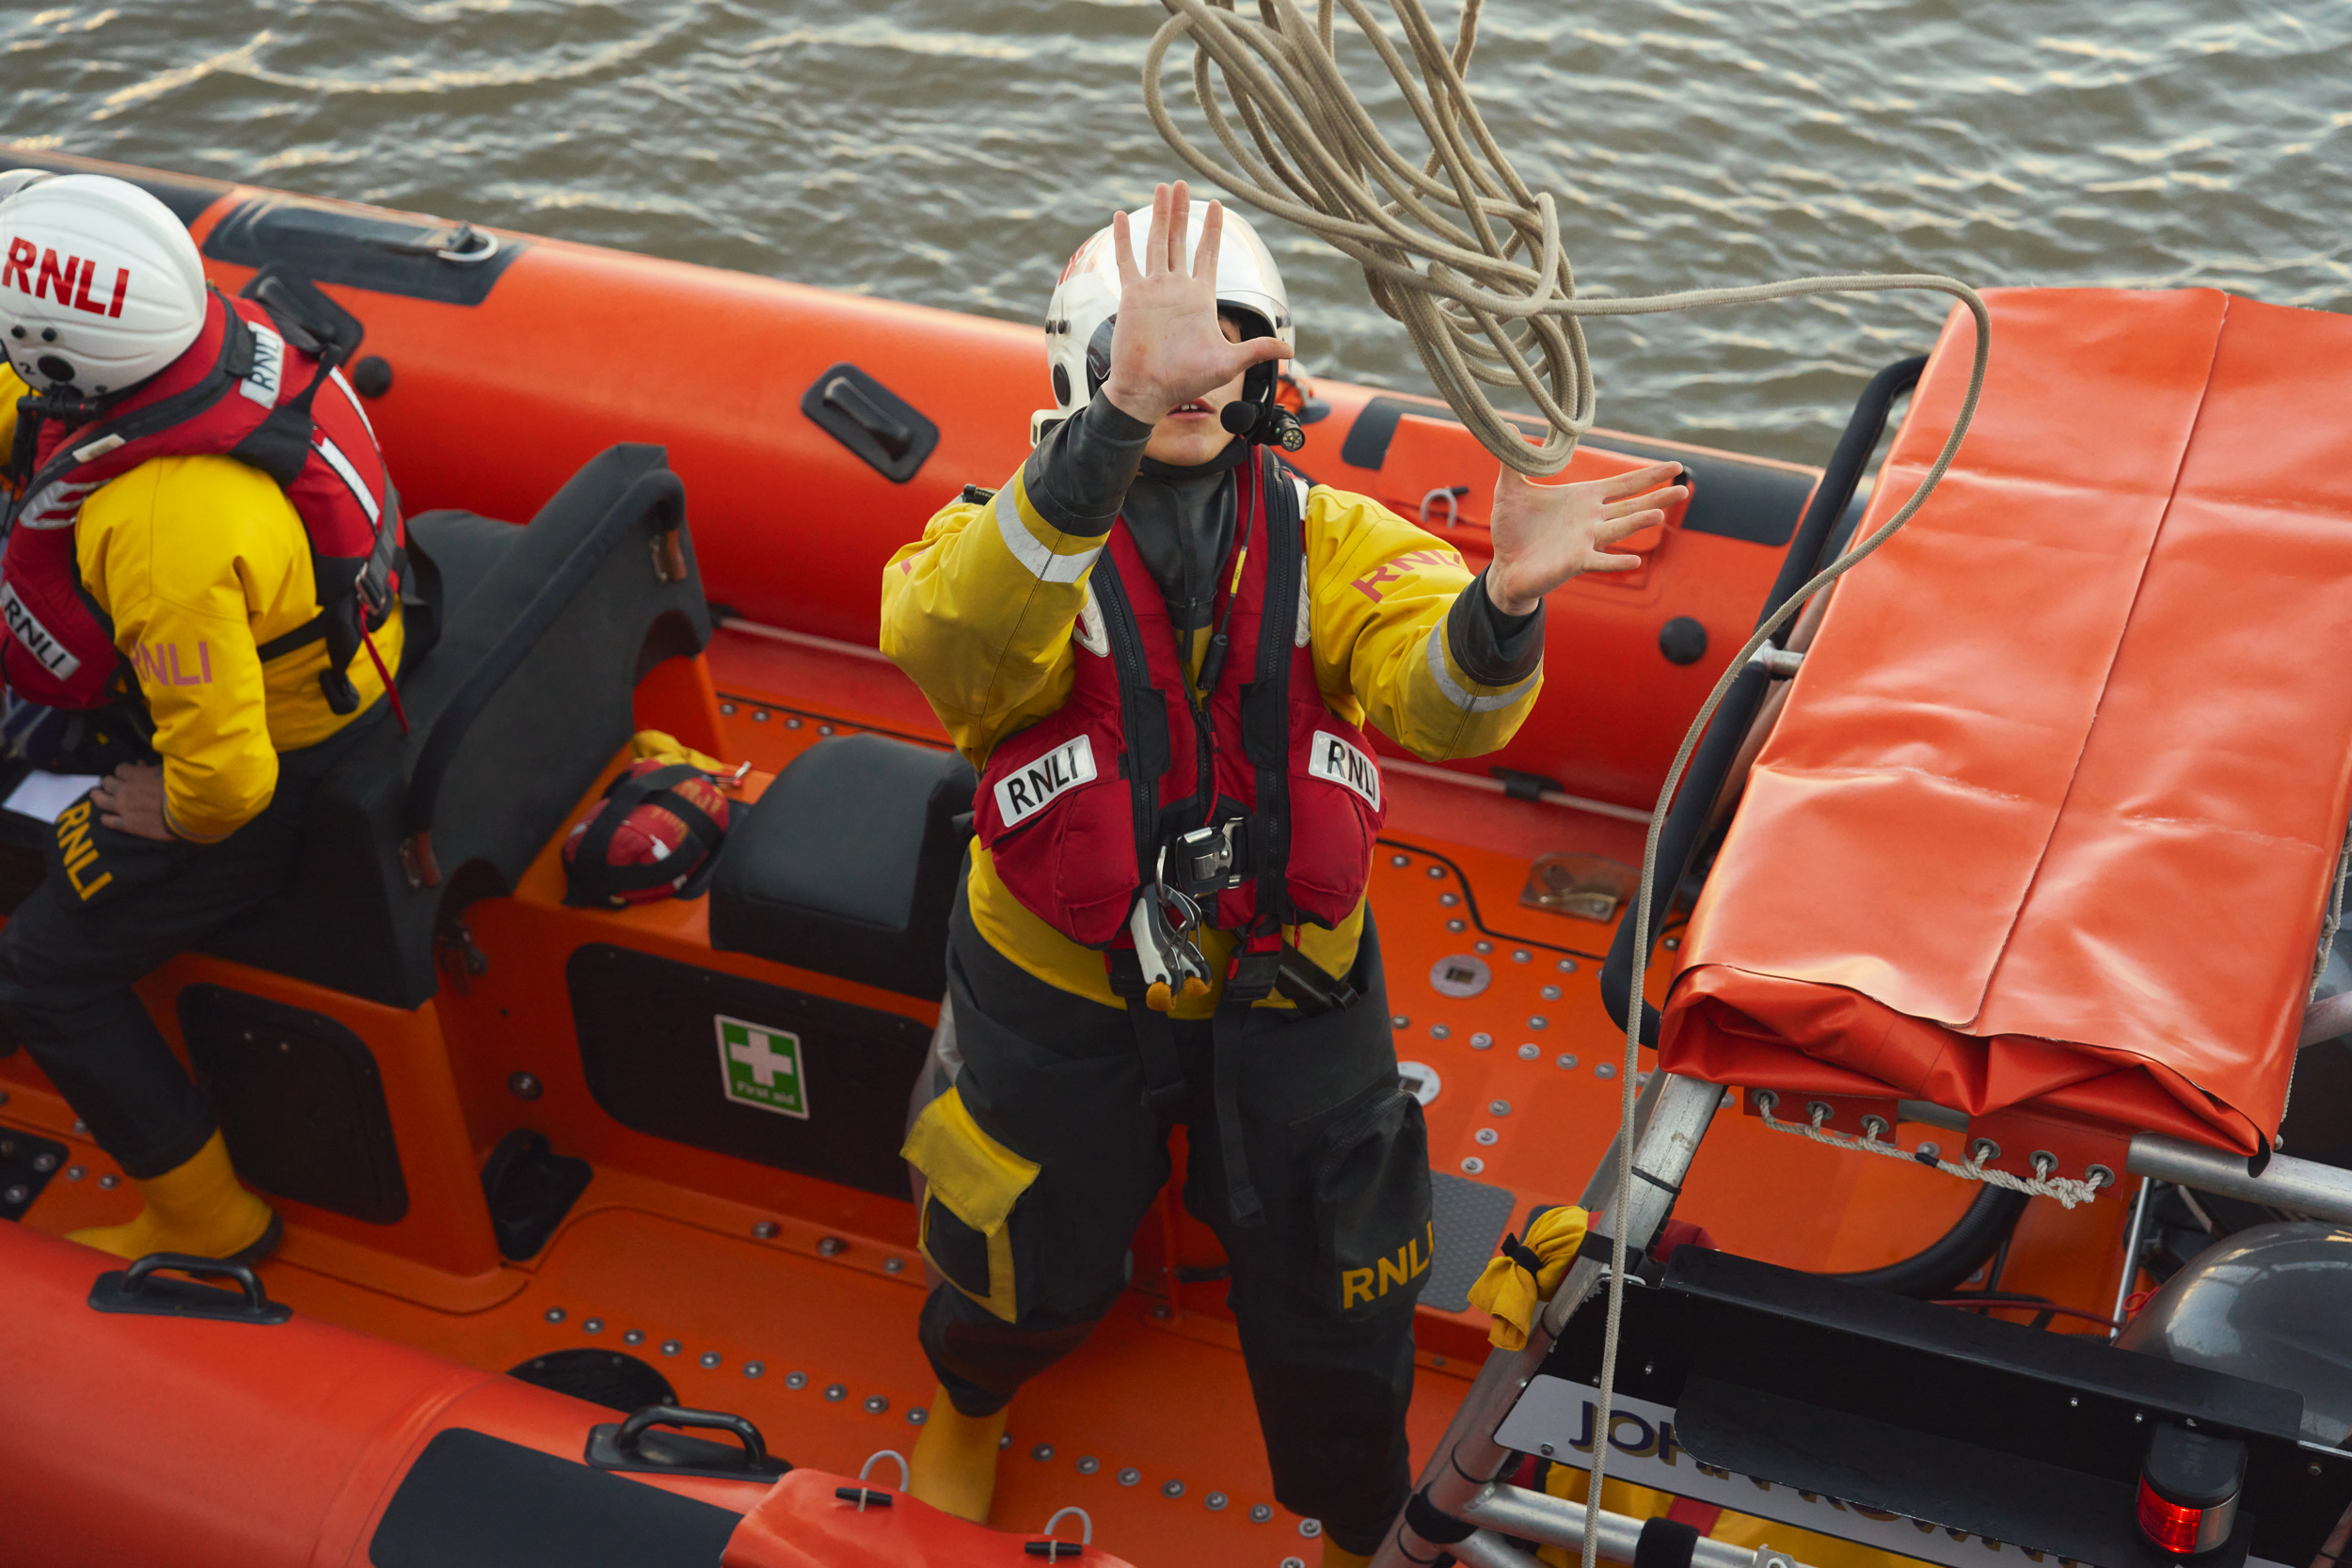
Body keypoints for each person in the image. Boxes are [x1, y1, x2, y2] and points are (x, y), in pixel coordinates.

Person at [881, 182, 1682, 1565]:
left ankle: (1348, 1501)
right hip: (1058, 980)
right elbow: (949, 640)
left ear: (1273, 361)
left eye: (1225, 342)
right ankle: (973, 1392)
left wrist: (1501, 607)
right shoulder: (1003, 543)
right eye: (1155, 348)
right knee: (1017, 1214)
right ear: (1088, 362)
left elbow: (1440, 700)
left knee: (1344, 1267)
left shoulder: (1337, 539)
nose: (1197, 372)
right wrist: (1113, 429)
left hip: (1291, 976)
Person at [0, 172, 405, 1264]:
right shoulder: (226, 338)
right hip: (333, 659)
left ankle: (207, 1219)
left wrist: (169, 813)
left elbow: (227, 780)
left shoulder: (163, 521)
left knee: (45, 968)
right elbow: (34, 406)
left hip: (271, 768)